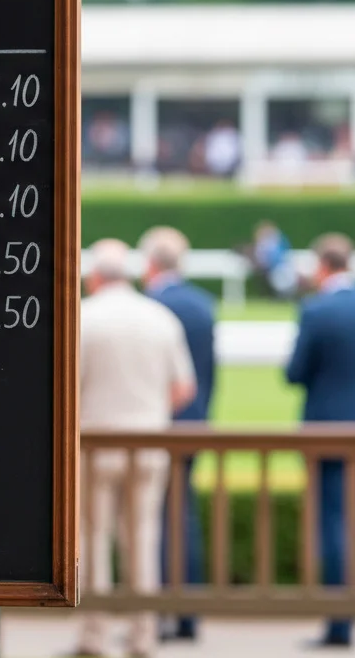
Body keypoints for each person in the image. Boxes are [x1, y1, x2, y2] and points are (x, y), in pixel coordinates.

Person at [78, 238, 196, 658]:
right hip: (148, 444)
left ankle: (94, 635)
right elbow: (183, 388)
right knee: (143, 540)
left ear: (94, 277)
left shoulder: (84, 317)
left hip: (94, 445)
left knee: (93, 540)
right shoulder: (159, 317)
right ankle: (142, 634)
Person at [284, 233, 355, 649]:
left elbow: (295, 372)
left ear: (322, 266)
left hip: (327, 428)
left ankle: (340, 623)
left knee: (334, 523)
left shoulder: (316, 311)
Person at [138, 227, 215, 643]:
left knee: (156, 521)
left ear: (150, 263)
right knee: (185, 518)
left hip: (156, 425)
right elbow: (209, 375)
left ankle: (162, 613)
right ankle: (187, 614)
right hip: (193, 423)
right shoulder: (203, 304)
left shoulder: (150, 306)